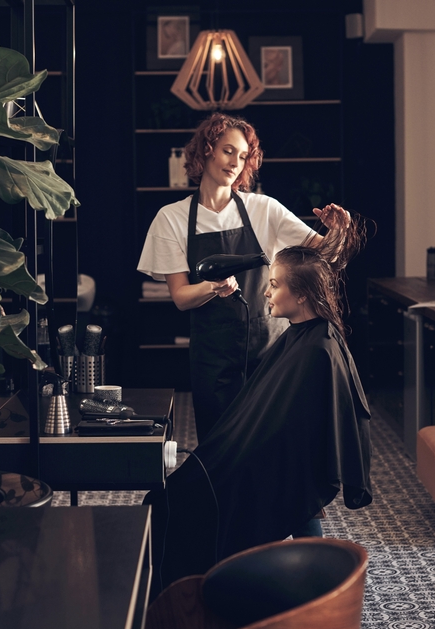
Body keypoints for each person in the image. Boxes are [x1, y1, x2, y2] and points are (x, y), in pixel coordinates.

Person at [146, 227, 372, 591]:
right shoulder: (302, 335)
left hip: (274, 465)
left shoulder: (318, 350)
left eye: (275, 285)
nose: (266, 292)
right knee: (170, 496)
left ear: (301, 295)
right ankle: (315, 581)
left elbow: (302, 437)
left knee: (173, 502)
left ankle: (190, 592)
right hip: (271, 460)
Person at [137, 112, 353, 442]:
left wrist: (338, 231)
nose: (235, 163)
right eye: (228, 151)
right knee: (220, 444)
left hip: (271, 350)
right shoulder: (171, 218)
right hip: (214, 358)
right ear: (206, 150)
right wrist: (213, 287)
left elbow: (328, 255)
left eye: (242, 156)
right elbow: (181, 297)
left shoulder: (264, 209)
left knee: (273, 442)